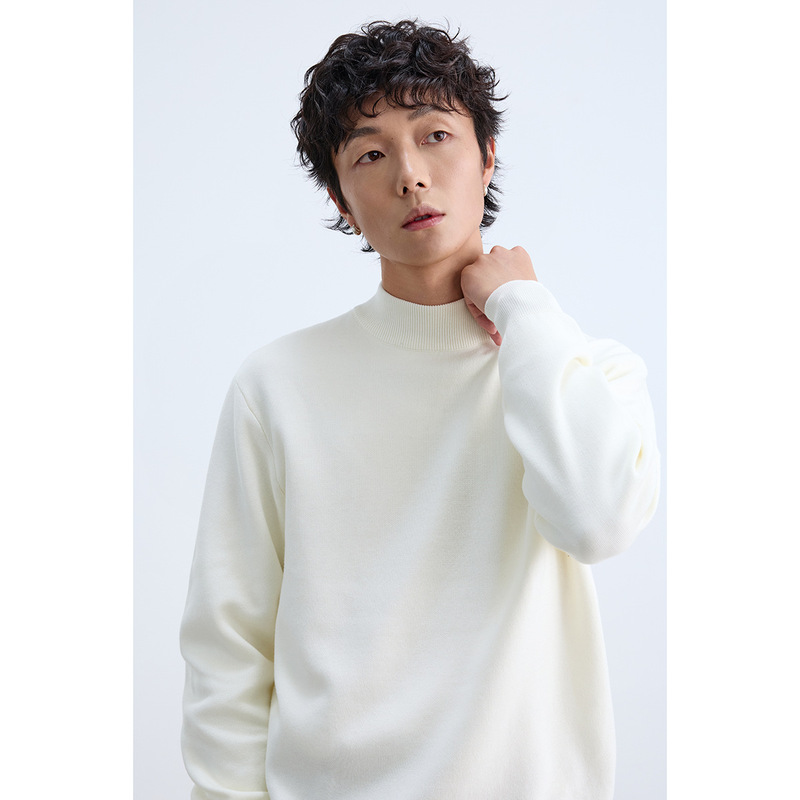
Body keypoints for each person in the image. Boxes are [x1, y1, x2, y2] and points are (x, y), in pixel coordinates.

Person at [180, 19, 660, 800]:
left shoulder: (587, 371)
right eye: (370, 154)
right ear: (340, 198)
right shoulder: (277, 385)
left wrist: (522, 309)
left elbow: (596, 523)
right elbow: (229, 644)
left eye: (436, 135)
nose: (411, 176)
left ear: (487, 155)